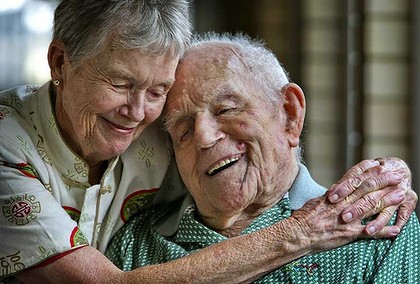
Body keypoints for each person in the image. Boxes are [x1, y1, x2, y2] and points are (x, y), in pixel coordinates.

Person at [0, 1, 416, 283]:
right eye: (121, 83)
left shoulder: (376, 234)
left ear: (290, 113)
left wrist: (385, 178)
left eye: (158, 91)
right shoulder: (137, 245)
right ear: (59, 63)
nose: (138, 112)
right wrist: (304, 230)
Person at [105, 33, 420, 283]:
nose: (203, 136)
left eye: (227, 109)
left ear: (289, 113)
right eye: (183, 129)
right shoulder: (135, 246)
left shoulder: (374, 228)